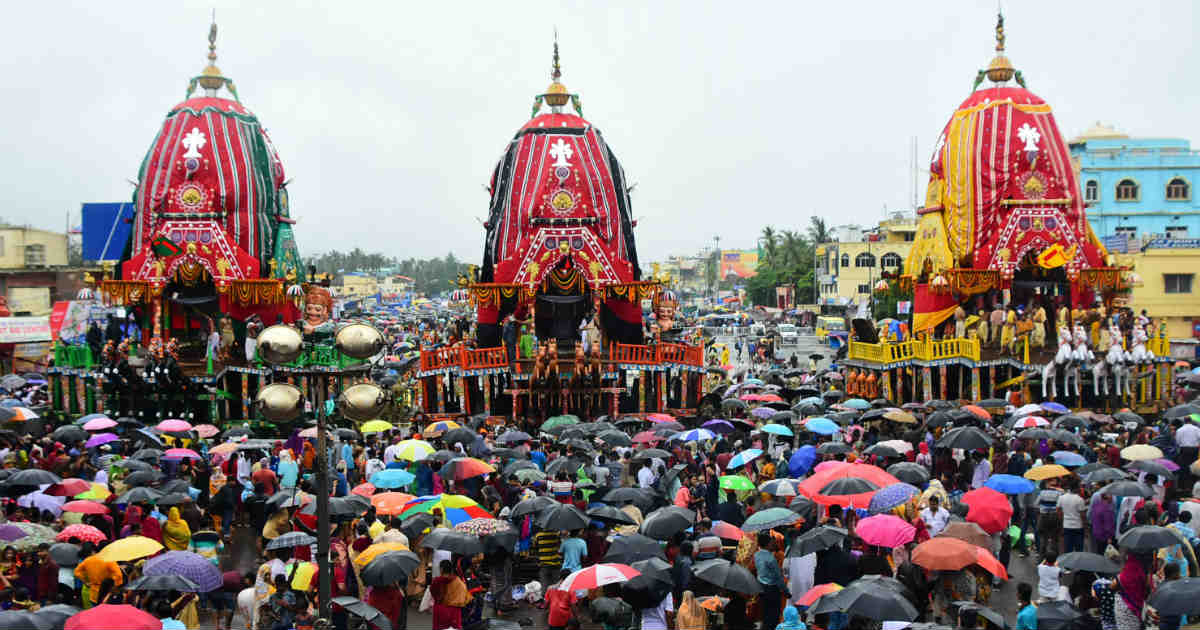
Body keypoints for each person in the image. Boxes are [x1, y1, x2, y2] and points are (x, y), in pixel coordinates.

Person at [756, 531, 786, 630]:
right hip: (773, 591)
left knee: (766, 617)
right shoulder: (778, 555)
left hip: (763, 591)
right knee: (772, 617)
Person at [430, 559, 470, 630]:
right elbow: (465, 596)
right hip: (455, 611)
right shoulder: (458, 581)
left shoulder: (437, 581)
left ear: (441, 569)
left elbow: (433, 593)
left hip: (441, 610)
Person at [1056, 479, 1086, 554]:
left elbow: (1058, 510)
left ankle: (1067, 565)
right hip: (1078, 527)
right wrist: (1085, 526)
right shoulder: (1080, 500)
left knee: (1067, 548)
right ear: (1076, 488)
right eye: (1079, 487)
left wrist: (1062, 520)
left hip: (1066, 526)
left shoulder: (1062, 497)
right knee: (1079, 549)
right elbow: (1083, 515)